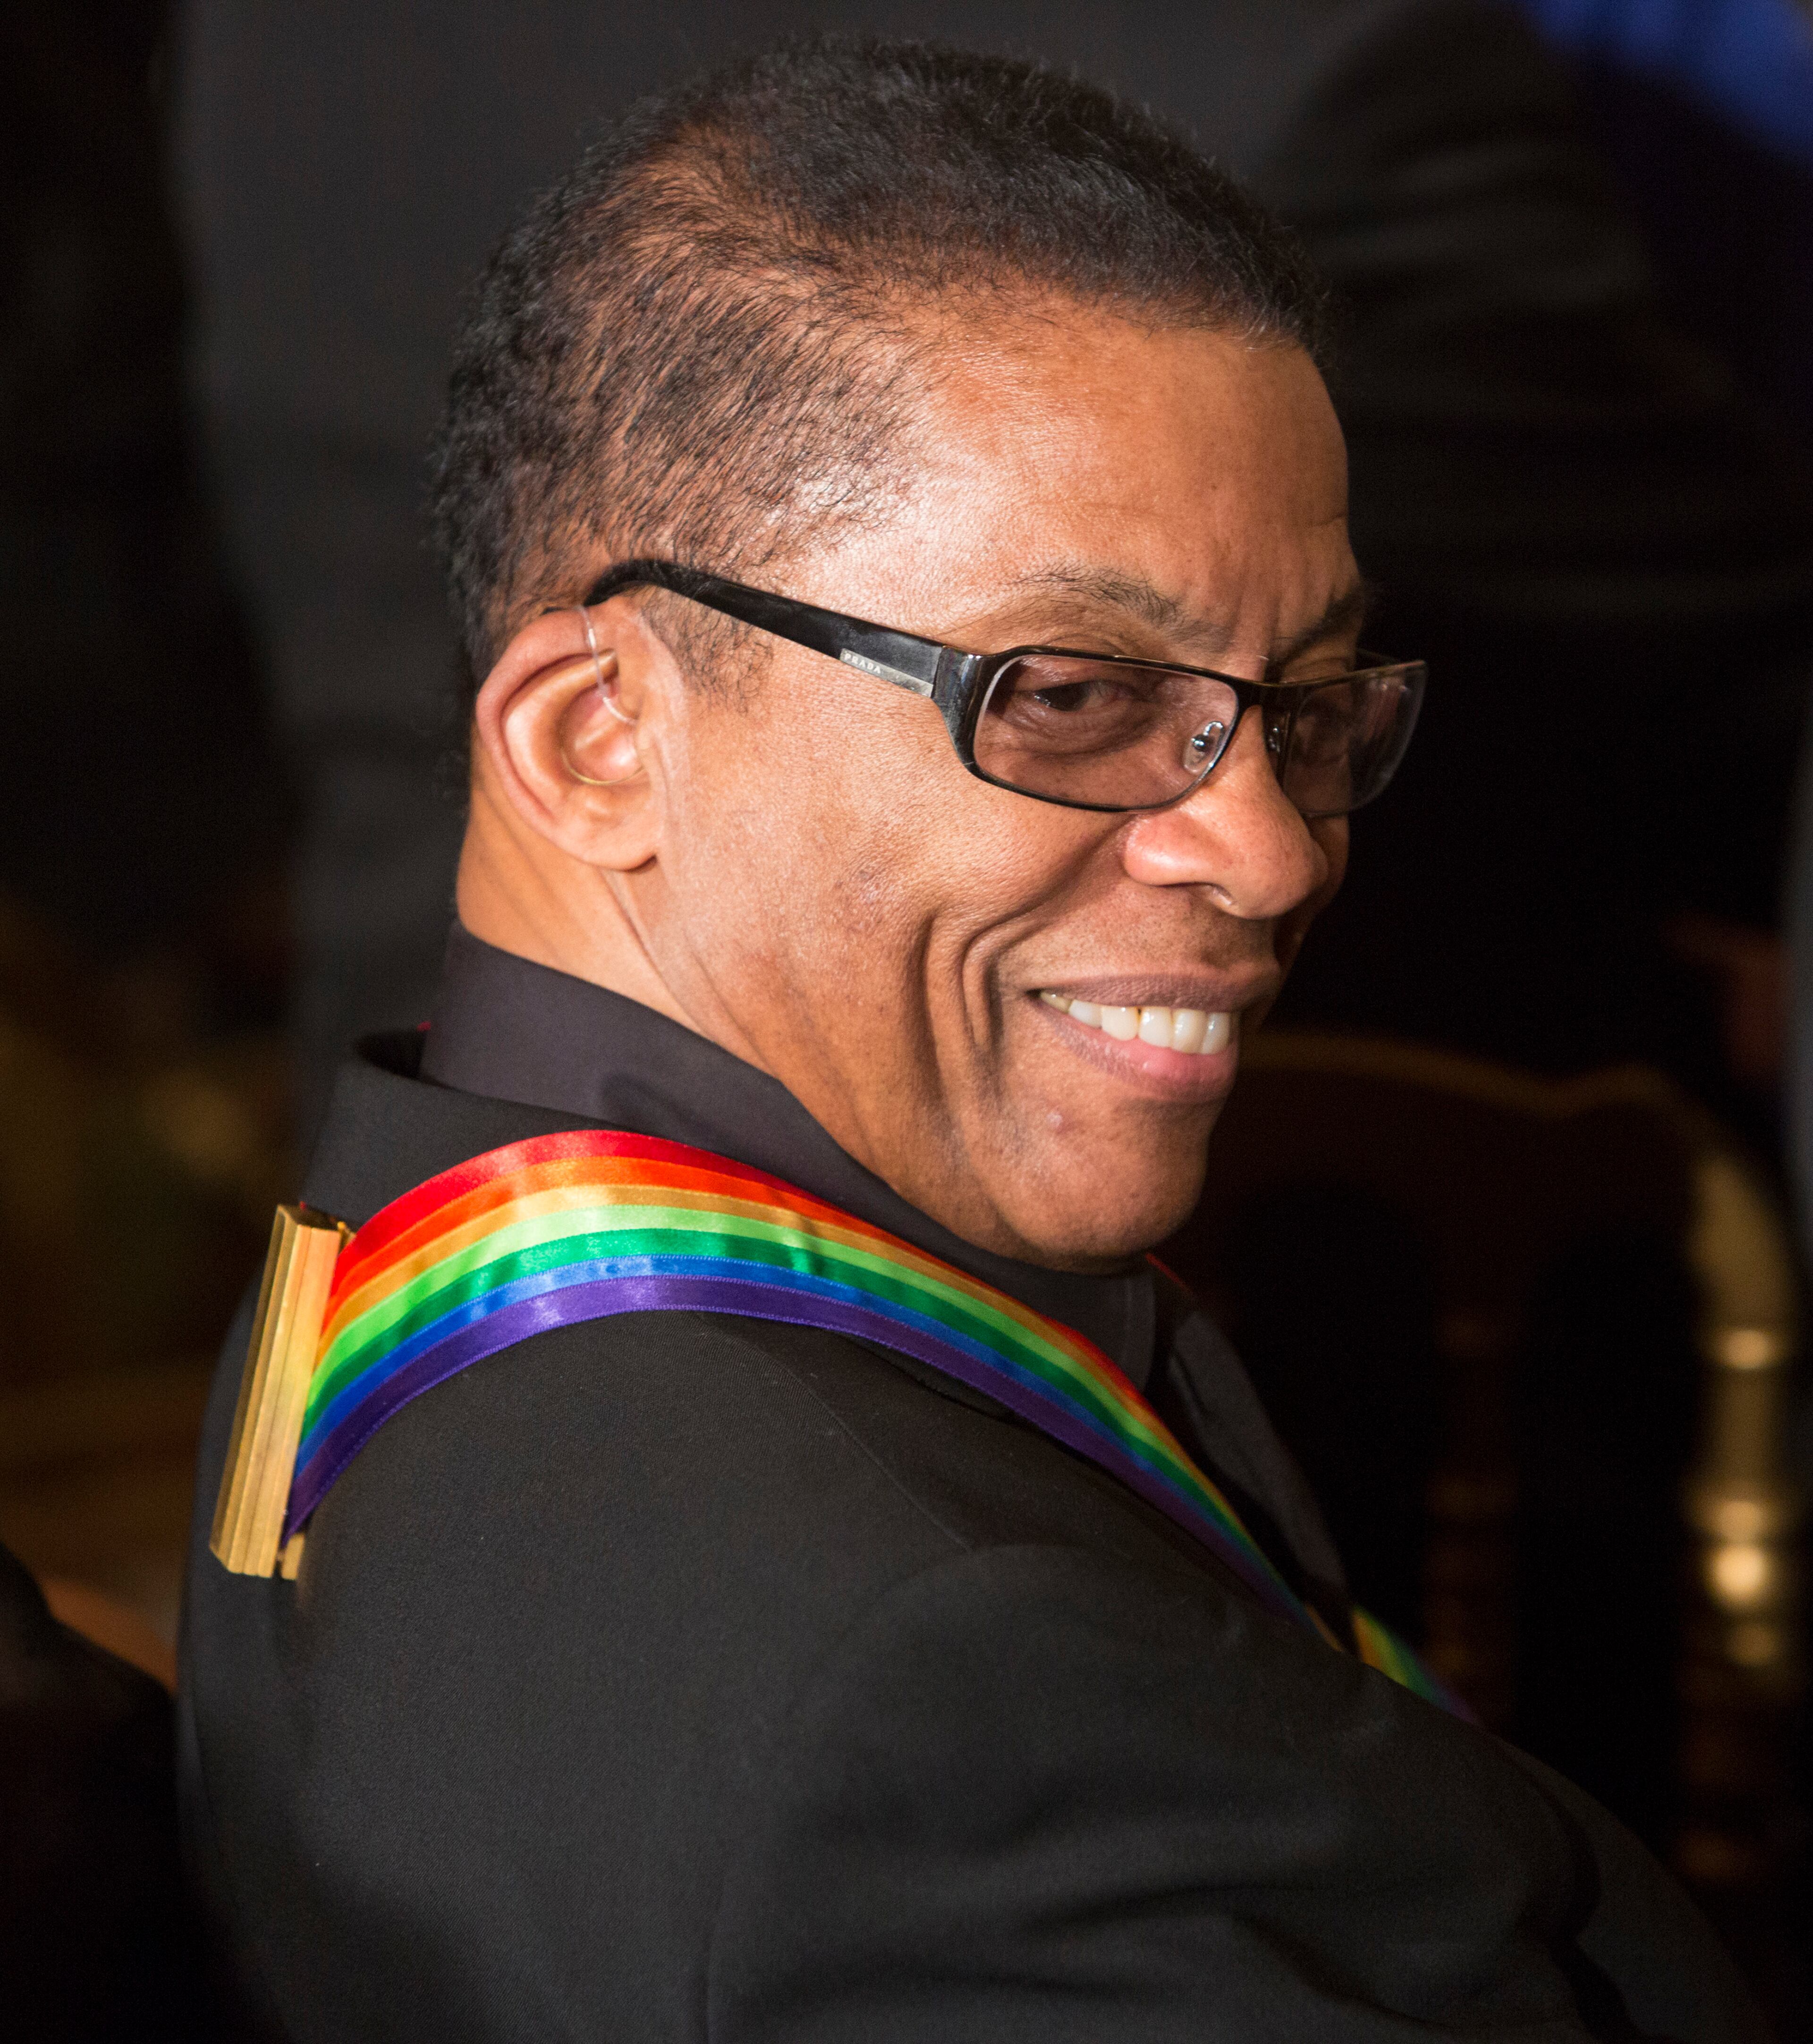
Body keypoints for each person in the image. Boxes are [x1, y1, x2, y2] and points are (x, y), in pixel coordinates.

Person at [179, 42, 1765, 2039]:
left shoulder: (409, 1231)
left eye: (1312, 696)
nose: (1271, 851)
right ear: (600, 740)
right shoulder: (943, 1694)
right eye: (1071, 695)